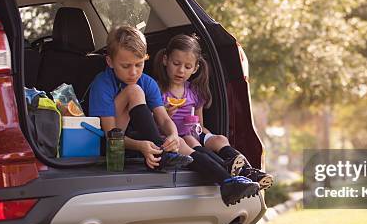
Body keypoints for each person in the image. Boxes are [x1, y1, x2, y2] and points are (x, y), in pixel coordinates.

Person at [89, 25, 258, 205]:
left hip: (142, 143)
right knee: (134, 91)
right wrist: (141, 146)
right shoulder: (103, 84)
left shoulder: (148, 82)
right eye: (126, 66)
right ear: (110, 62)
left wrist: (173, 135)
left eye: (139, 65)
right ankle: (163, 152)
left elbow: (163, 119)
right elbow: (110, 136)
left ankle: (226, 182)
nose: (133, 72)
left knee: (183, 144)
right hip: (112, 146)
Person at [153, 33, 274, 190]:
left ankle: (248, 171)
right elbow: (149, 124)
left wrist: (209, 136)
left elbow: (200, 125)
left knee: (220, 139)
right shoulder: (156, 90)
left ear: (195, 68)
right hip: (171, 138)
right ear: (165, 60)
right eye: (176, 63)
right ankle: (228, 169)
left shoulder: (195, 92)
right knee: (188, 141)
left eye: (187, 67)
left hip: (191, 134)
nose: (181, 70)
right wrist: (165, 115)